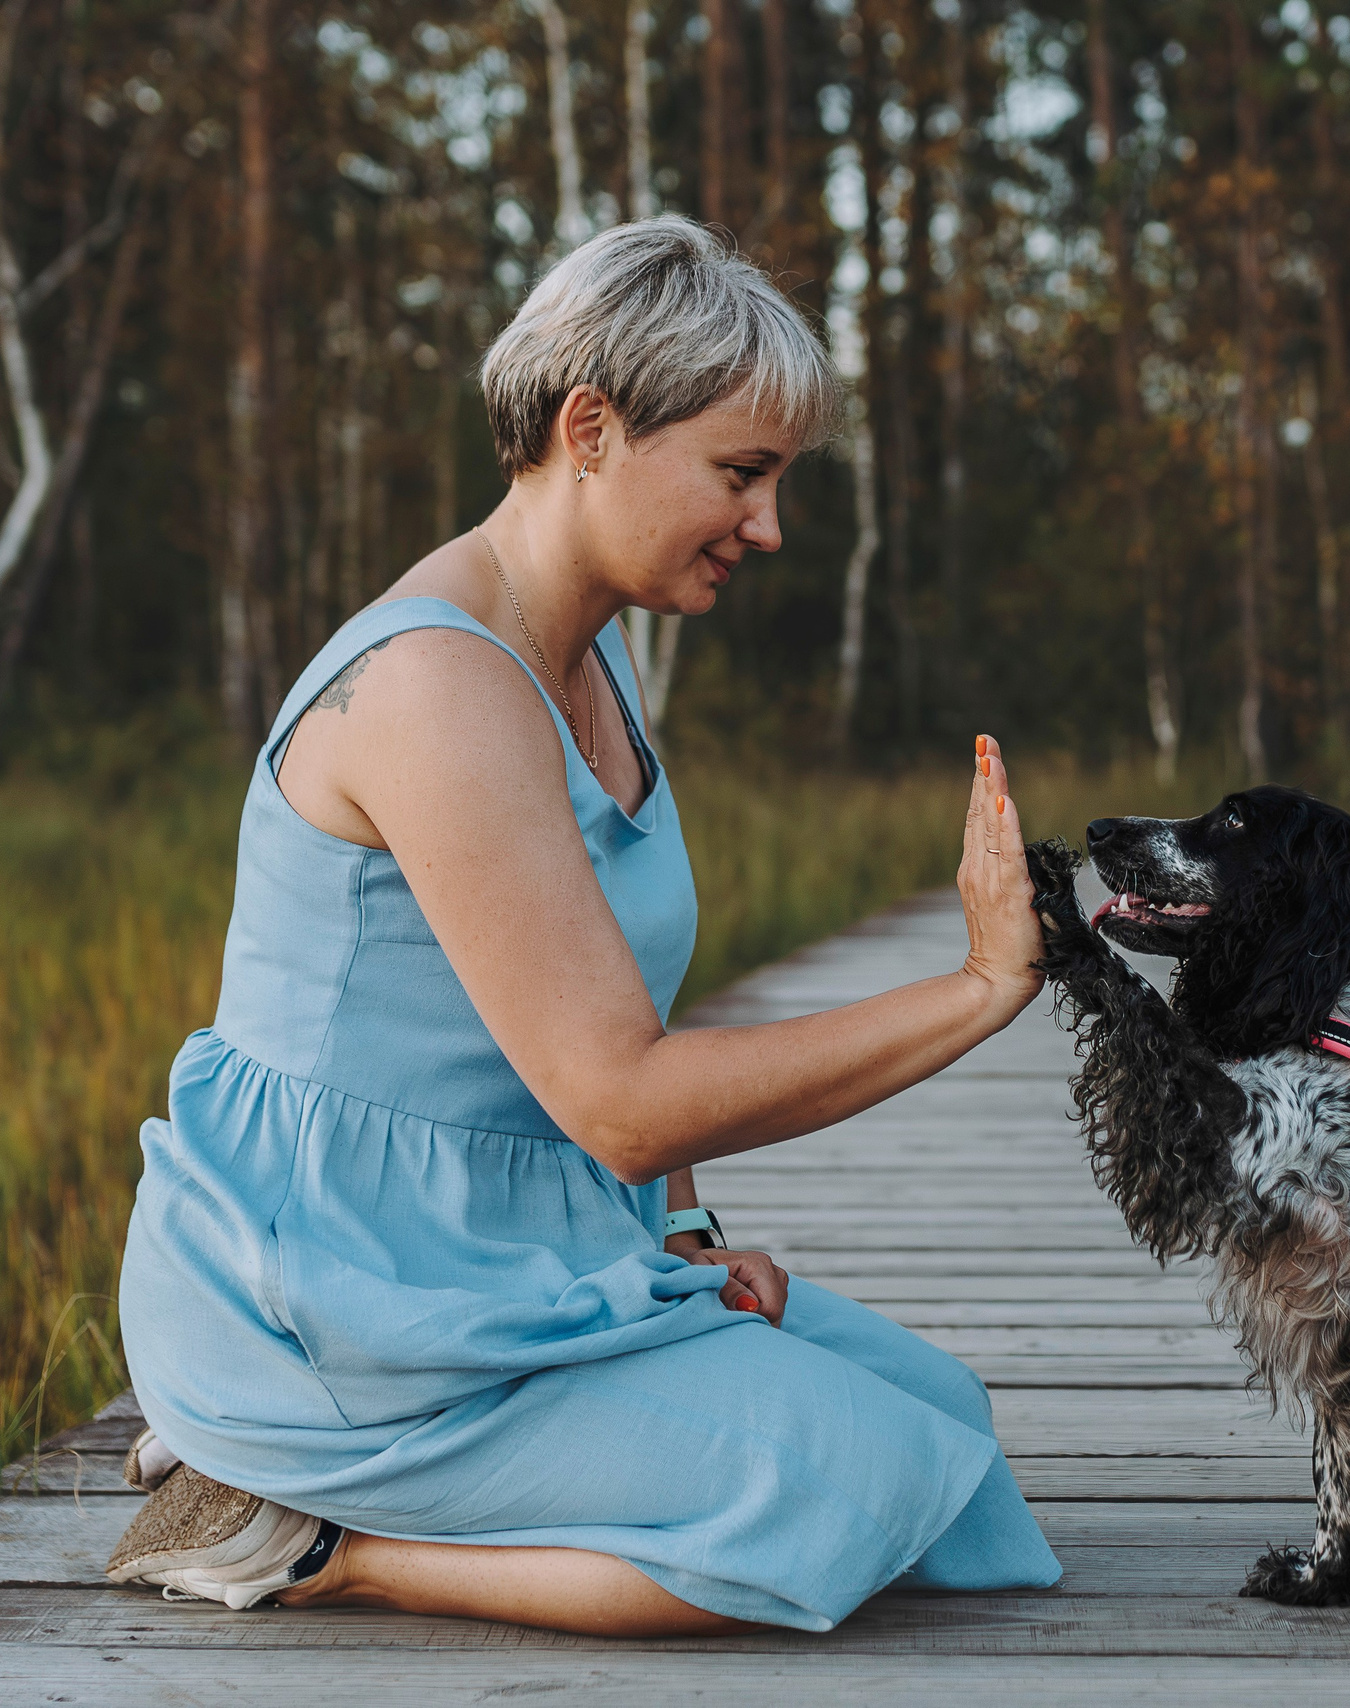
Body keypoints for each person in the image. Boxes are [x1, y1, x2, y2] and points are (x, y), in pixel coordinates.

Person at [105, 217, 1062, 1635]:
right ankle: (308, 1531)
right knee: (843, 1491)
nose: (770, 527)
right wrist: (979, 987)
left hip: (521, 1258)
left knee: (946, 1436)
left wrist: (689, 1244)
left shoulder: (593, 649)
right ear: (592, 427)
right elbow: (621, 1100)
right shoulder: (439, 685)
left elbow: (611, 1007)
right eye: (741, 475)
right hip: (348, 1300)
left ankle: (331, 1470)